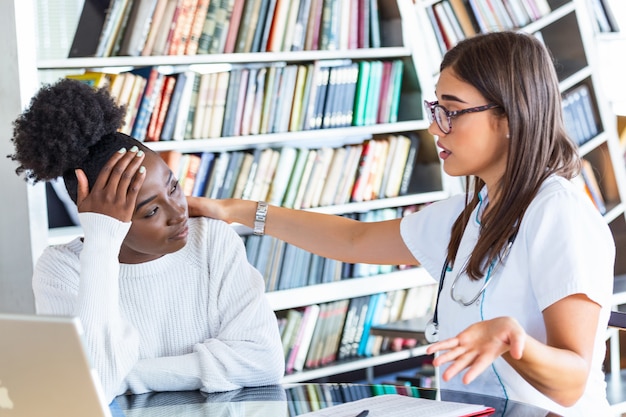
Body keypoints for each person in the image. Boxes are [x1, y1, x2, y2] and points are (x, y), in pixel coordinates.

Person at [187, 31, 615, 415]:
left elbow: (572, 382)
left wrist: (511, 340)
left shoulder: (558, 214)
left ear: (509, 117)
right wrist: (237, 212)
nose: (434, 126)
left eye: (451, 111)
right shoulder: (477, 208)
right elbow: (355, 239)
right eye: (435, 108)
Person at [8, 78, 285, 403]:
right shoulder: (61, 270)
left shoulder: (212, 240)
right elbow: (92, 388)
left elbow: (263, 361)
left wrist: (130, 375)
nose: (178, 212)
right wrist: (101, 244)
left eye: (173, 187)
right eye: (151, 210)